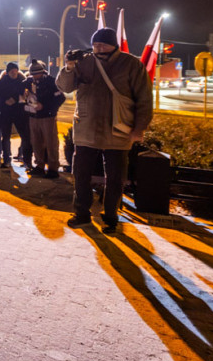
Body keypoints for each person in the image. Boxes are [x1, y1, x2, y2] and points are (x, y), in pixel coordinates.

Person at [57, 28, 153, 234]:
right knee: (80, 174)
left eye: (103, 44)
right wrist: (69, 66)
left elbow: (144, 100)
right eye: (95, 45)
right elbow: (64, 87)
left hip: (118, 129)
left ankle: (110, 217)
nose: (98, 48)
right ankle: (81, 213)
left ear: (114, 45)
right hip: (86, 128)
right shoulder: (84, 61)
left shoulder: (131, 64)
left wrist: (139, 128)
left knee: (116, 178)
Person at [23, 59, 66, 178]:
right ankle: (39, 166)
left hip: (48, 117)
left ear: (42, 72)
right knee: (36, 142)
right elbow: (20, 90)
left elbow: (60, 98)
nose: (34, 77)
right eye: (32, 74)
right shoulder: (29, 82)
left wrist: (45, 107)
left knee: (51, 142)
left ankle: (53, 168)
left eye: (36, 74)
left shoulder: (52, 82)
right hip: (33, 116)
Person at [0, 62, 33, 170]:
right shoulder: (2, 82)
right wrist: (5, 100)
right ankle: (7, 160)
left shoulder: (22, 81)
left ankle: (27, 160)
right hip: (6, 112)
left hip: (20, 113)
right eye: (11, 70)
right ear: (8, 72)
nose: (14, 72)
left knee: (25, 136)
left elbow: (26, 94)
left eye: (15, 70)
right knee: (6, 137)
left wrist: (15, 98)